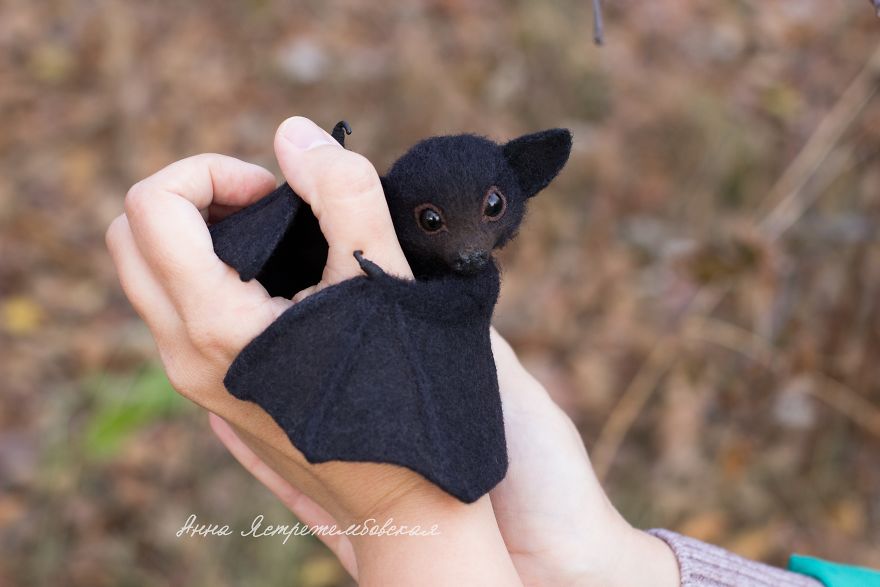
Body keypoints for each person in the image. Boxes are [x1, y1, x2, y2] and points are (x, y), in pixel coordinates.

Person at [106, 116, 876, 586]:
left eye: (493, 212)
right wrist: (601, 570)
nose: (472, 244)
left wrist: (404, 511)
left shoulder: (473, 292)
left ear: (519, 190)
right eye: (439, 223)